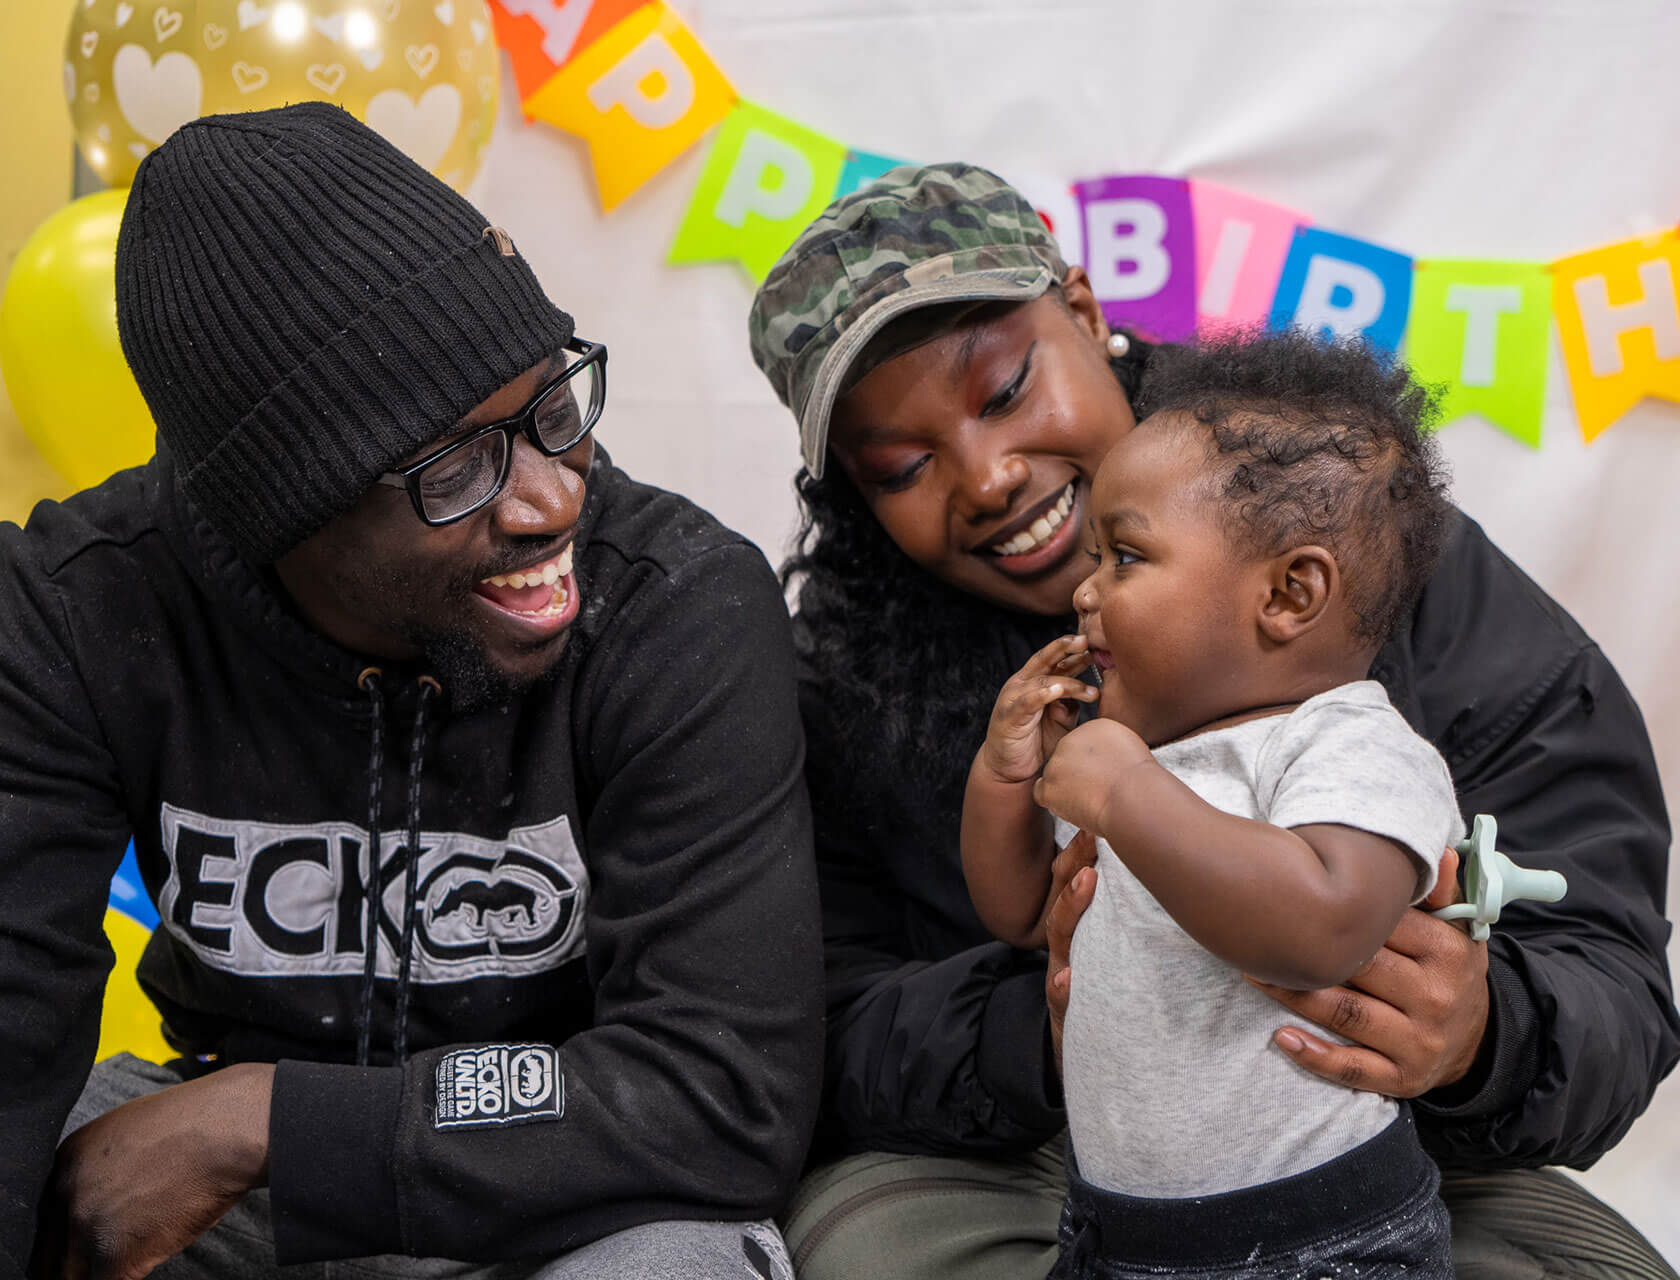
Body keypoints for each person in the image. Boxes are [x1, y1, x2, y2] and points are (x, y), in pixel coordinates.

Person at [745, 163, 1680, 1280]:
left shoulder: (1333, 524)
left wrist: (1484, 1033)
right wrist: (1041, 1032)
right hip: (1046, 1167)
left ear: (1086, 312)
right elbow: (814, 1020)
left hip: (1369, 1142)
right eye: (902, 465)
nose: (987, 476)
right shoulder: (842, 672)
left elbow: (1606, 951)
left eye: (1003, 392)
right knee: (864, 1240)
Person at [0, 103, 822, 1280]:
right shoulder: (81, 608)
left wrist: (264, 1119)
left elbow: (720, 1089)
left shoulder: (675, 600)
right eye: (456, 465)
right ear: (280, 511)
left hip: (568, 1180)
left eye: (552, 407)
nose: (549, 501)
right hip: (228, 1198)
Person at [964, 331, 1465, 1278]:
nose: (1084, 590)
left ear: (1289, 593)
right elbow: (1022, 909)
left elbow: (1321, 929)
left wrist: (1126, 792)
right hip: (1112, 1230)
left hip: (1323, 1240)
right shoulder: (1144, 758)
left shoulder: (1350, 744)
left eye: (1126, 557)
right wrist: (1003, 773)